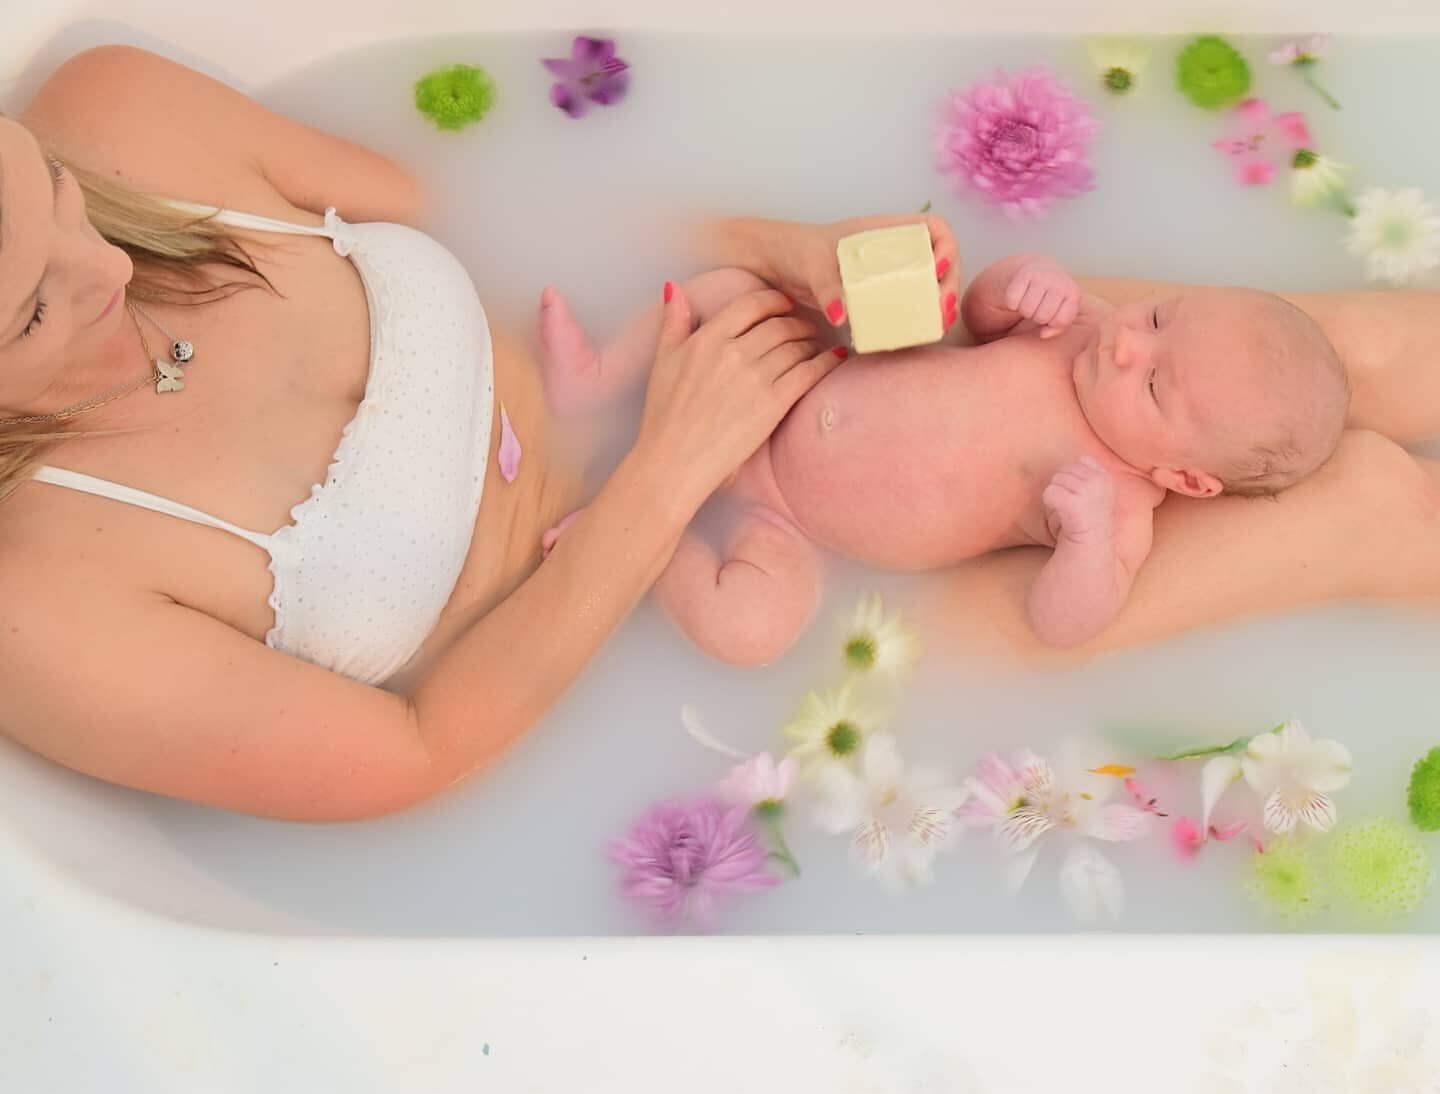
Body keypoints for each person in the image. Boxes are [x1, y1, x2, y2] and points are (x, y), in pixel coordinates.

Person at [0, 47, 1435, 822]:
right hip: (669, 594)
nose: (113, 264)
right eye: (28, 314)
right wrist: (671, 468)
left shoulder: (107, 115)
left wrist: (780, 249)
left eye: (61, 201)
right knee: (1353, 508)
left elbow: (463, 191)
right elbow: (415, 753)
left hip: (693, 341)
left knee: (1328, 360)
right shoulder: (44, 607)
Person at [538, 254, 1351, 659]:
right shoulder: (1084, 327)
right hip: (789, 383)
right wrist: (1016, 284)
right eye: (1161, 318)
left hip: (785, 519)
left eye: (1154, 387)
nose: (1129, 346)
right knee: (730, 289)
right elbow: (977, 317)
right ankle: (598, 380)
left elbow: (1062, 625)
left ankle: (642, 540)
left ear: (1184, 478)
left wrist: (1084, 540)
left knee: (752, 630)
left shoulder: (1120, 509)